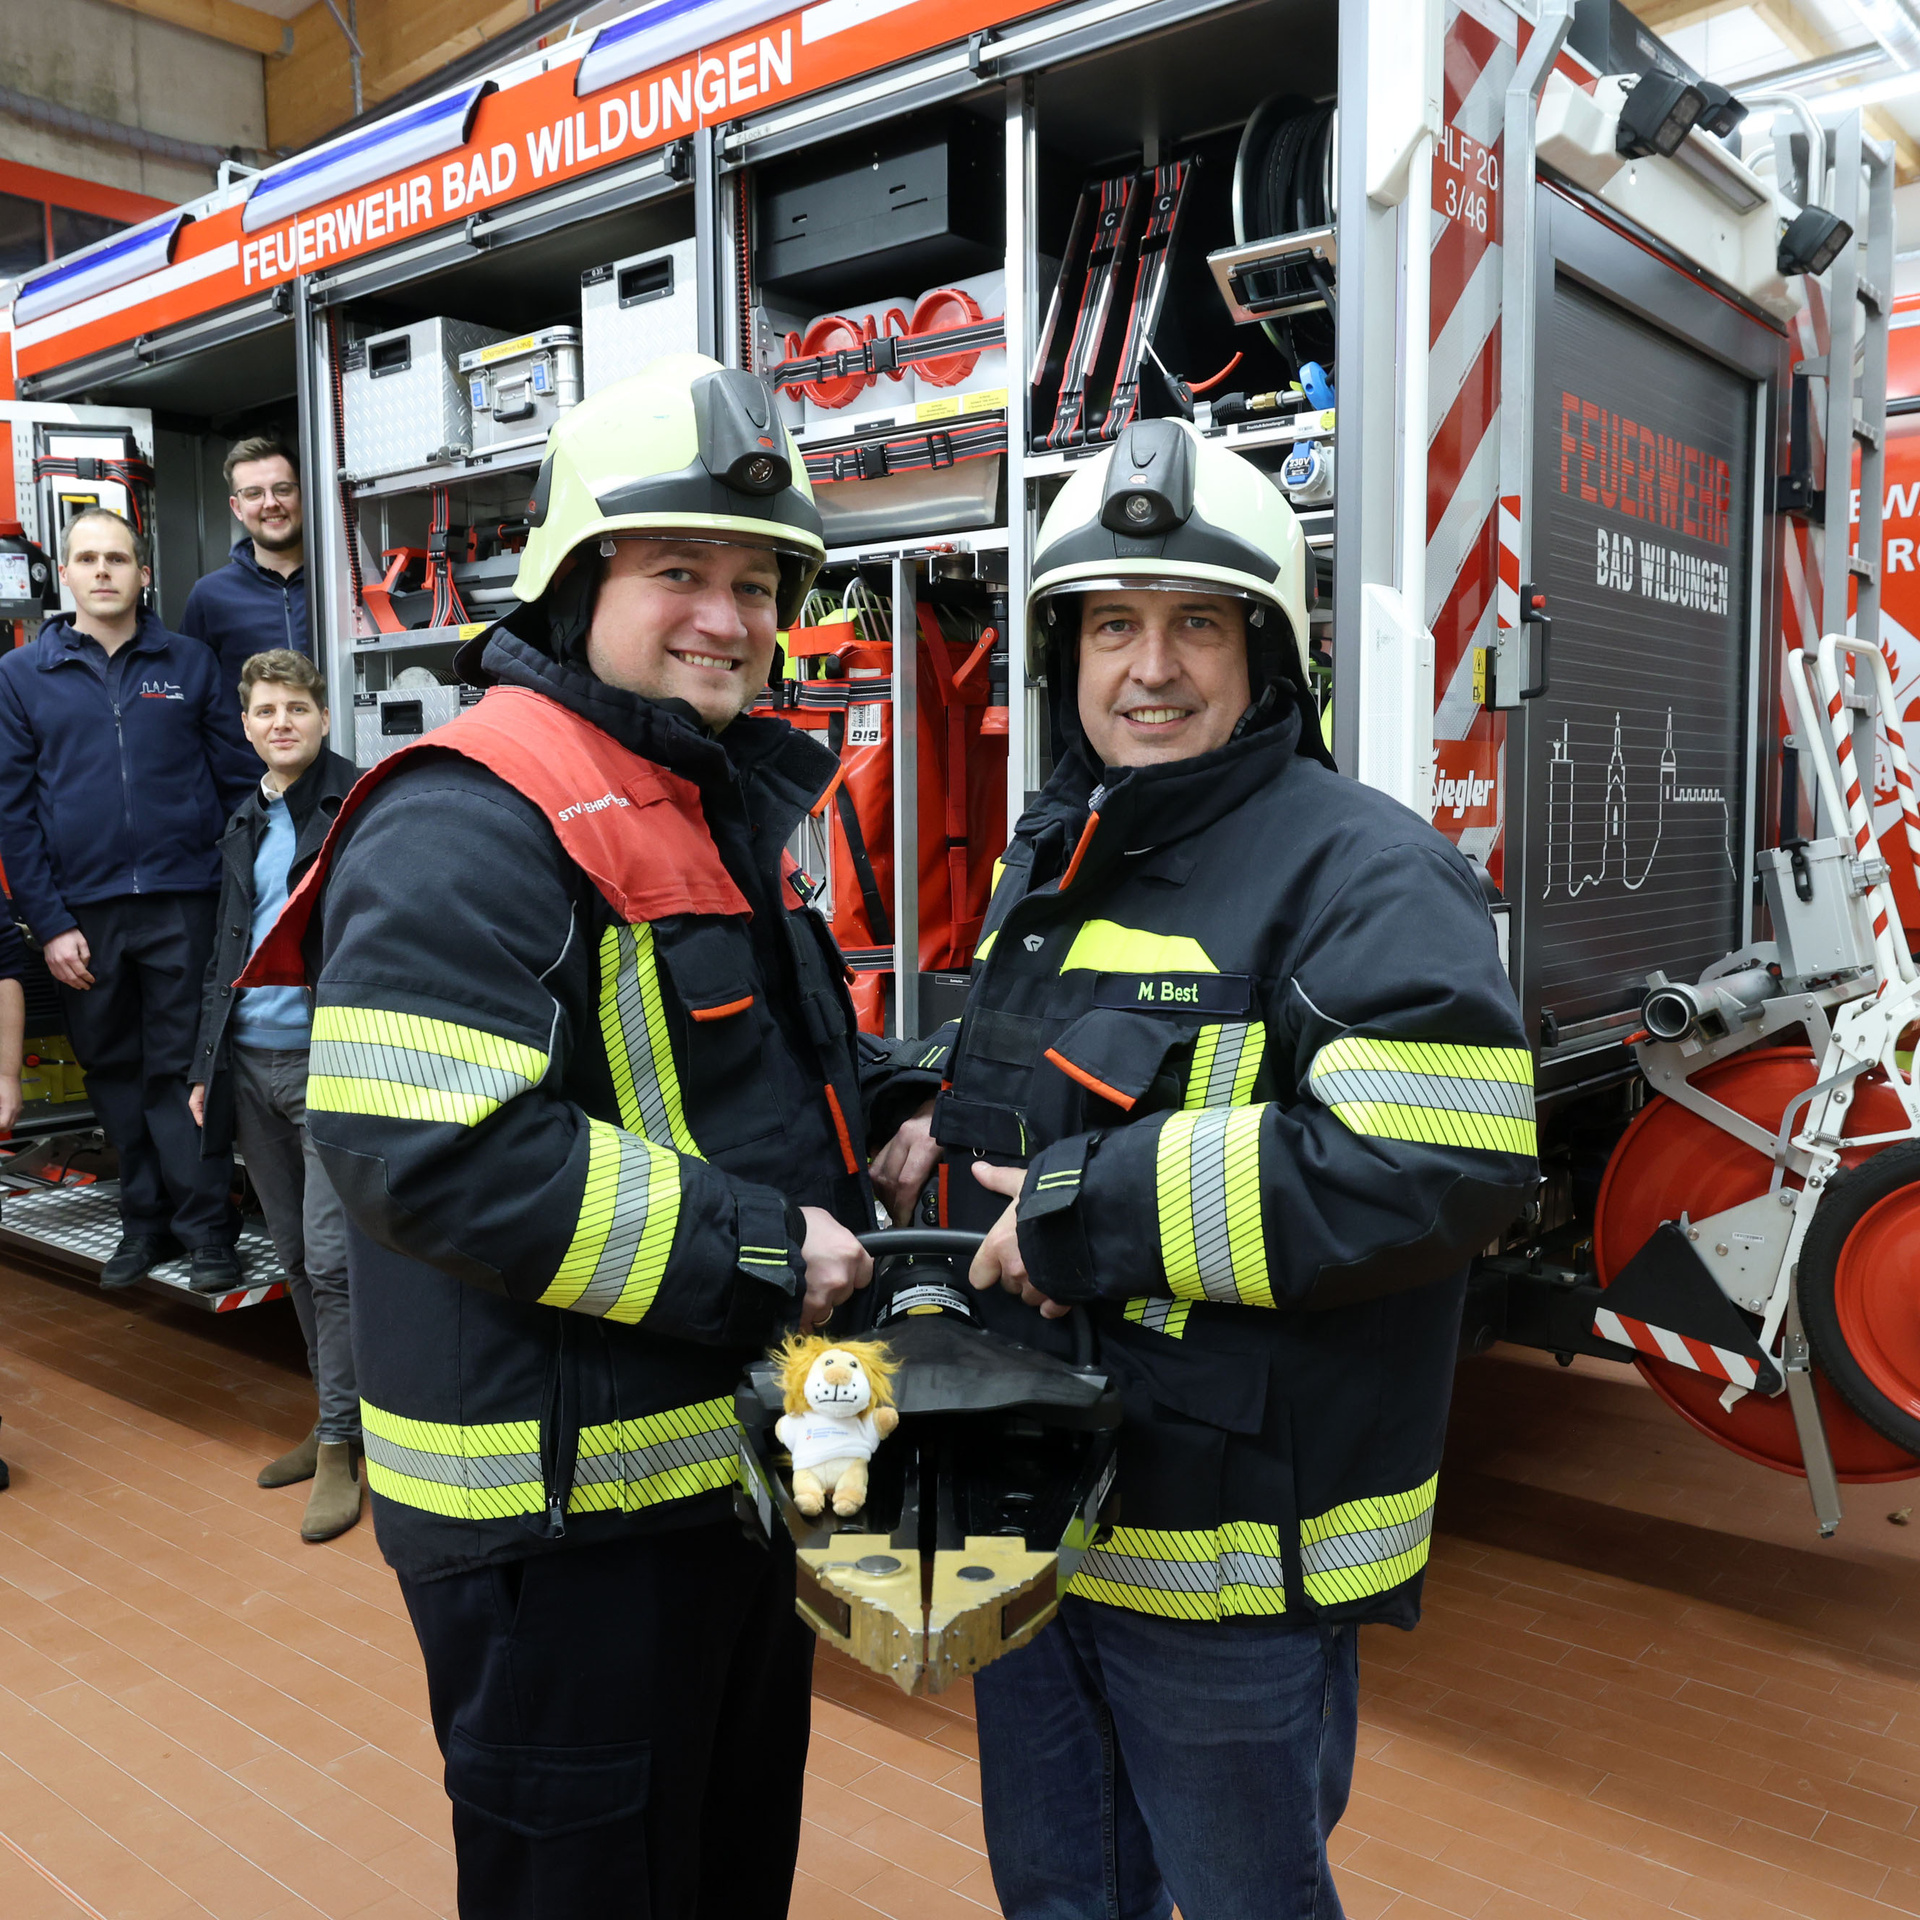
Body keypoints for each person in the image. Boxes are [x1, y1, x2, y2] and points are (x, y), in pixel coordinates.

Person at [866, 421, 1537, 1920]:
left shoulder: (1365, 869)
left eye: (1193, 623)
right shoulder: (1061, 849)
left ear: (1266, 656)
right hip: (1030, 1512)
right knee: (1058, 1897)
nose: (1148, 667)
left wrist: (1085, 1214)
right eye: (1112, 623)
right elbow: (1054, 1083)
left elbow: (1441, 1162)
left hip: (1223, 1565)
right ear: (1067, 654)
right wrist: (939, 1118)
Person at [242, 355, 877, 1919]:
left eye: (754, 578)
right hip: (559, 1530)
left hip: (709, 1479)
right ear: (577, 577)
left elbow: (743, 1077)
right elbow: (430, 1153)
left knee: (725, 1873)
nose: (727, 615)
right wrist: (764, 1245)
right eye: (678, 571)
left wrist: (897, 1112)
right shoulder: (475, 809)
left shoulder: (690, 791)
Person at [0, 510, 256, 1291]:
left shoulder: (191, 663)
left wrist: (233, 896)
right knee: (113, 1071)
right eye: (88, 559)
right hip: (83, 918)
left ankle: (208, 1233)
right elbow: (13, 809)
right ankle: (143, 1227)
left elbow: (238, 784)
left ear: (144, 574)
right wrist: (50, 923)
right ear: (67, 576)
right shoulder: (21, 676)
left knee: (187, 1075)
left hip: (185, 904)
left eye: (118, 558)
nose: (103, 571)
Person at [189, 649, 361, 1538]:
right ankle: (335, 1419)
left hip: (333, 1063)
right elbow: (228, 945)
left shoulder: (360, 805)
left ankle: (341, 1444)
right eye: (265, 710)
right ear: (247, 725)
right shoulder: (241, 819)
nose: (281, 722)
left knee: (334, 1263)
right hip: (250, 1064)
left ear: (322, 719)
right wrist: (202, 1065)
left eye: (296, 707)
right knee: (294, 1258)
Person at [181, 438, 309, 695]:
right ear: (237, 508)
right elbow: (191, 694)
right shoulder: (210, 596)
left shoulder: (340, 580)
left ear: (303, 493)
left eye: (283, 489)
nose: (271, 503)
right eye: (254, 494)